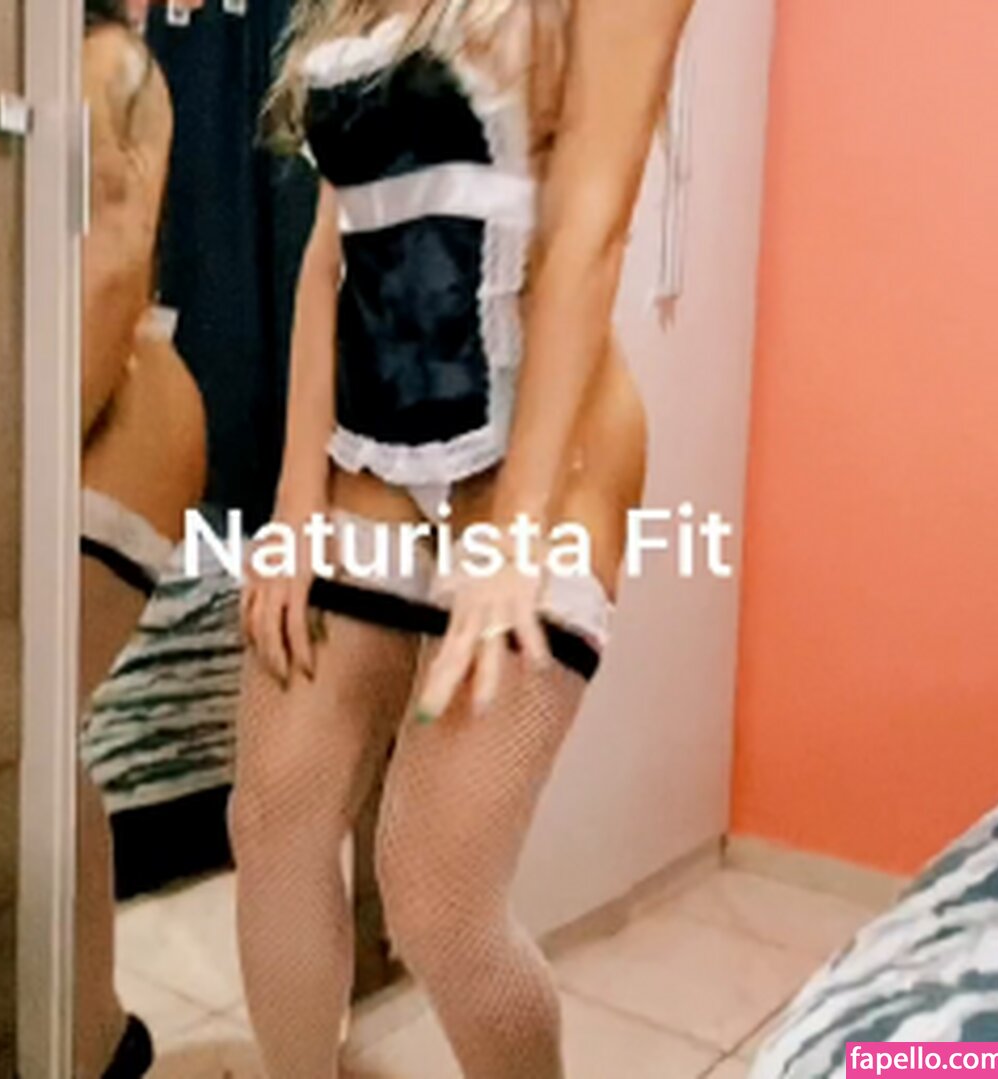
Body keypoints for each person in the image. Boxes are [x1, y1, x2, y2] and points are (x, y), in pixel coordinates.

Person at [233, 0, 694, 1075]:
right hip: (366, 457)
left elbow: (590, 234)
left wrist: (516, 532)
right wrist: (295, 506)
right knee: (273, 819)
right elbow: (331, 251)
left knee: (436, 892)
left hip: (550, 459)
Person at [79, 2, 206, 1075]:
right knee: (43, 741)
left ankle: (85, 1034)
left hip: (116, 419)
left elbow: (116, 259)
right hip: (105, 411)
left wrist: (31, 456)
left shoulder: (107, 59)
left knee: (32, 734)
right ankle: (91, 1031)